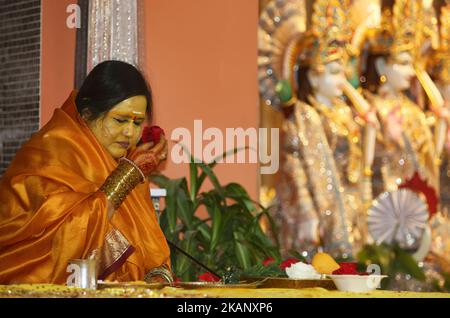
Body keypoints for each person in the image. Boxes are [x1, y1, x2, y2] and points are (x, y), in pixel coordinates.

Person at [0, 60, 172, 284]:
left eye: (137, 122)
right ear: (88, 113)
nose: (129, 132)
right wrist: (126, 177)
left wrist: (157, 278)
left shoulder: (125, 163)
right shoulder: (50, 152)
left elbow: (151, 250)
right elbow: (62, 238)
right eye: (119, 120)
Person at [259, 0, 376, 260]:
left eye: (345, 72)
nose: (342, 81)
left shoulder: (347, 115)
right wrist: (308, 216)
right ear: (313, 76)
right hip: (315, 219)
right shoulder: (303, 117)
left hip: (350, 214)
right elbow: (295, 170)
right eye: (334, 72)